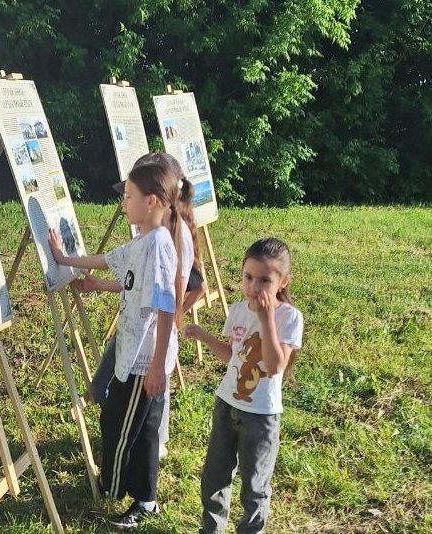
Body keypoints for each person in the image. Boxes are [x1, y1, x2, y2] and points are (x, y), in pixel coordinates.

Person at [48, 161, 182, 530]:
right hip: (136, 356)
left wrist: (157, 366)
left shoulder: (158, 245)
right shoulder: (145, 240)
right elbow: (111, 262)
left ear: (152, 201)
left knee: (121, 424)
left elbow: (166, 306)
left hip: (145, 362)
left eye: (128, 196)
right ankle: (143, 497)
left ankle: (118, 489)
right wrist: (65, 260)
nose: (124, 203)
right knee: (138, 427)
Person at [77, 152, 205, 460]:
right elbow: (141, 280)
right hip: (137, 327)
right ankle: (127, 435)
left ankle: (149, 446)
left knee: (149, 392)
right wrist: (102, 285)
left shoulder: (174, 236)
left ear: (158, 197)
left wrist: (173, 320)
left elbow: (188, 289)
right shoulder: (153, 230)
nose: (125, 200)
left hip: (152, 335)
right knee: (112, 382)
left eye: (131, 193)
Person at [184, 238, 303, 533]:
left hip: (261, 416)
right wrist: (205, 337)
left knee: (254, 485)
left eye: (265, 279)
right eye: (248, 277)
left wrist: (265, 319)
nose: (254, 286)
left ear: (282, 282)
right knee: (214, 475)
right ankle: (211, 529)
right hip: (226, 405)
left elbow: (276, 367)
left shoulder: (288, 317)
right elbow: (232, 354)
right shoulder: (238, 310)